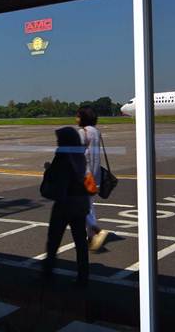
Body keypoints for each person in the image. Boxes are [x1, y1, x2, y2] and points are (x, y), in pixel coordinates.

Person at [43, 127, 90, 287]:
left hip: (65, 202)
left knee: (53, 240)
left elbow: (56, 175)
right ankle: (83, 276)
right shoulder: (79, 154)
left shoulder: (62, 156)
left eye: (59, 139)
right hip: (80, 201)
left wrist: (48, 169)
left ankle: (47, 272)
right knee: (80, 241)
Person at [76, 106, 108, 251]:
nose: (76, 119)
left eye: (78, 116)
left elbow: (76, 153)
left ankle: (96, 231)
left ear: (83, 117)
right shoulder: (96, 132)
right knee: (89, 205)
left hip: (85, 174)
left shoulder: (83, 132)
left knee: (81, 206)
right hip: (96, 175)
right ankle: (91, 236)